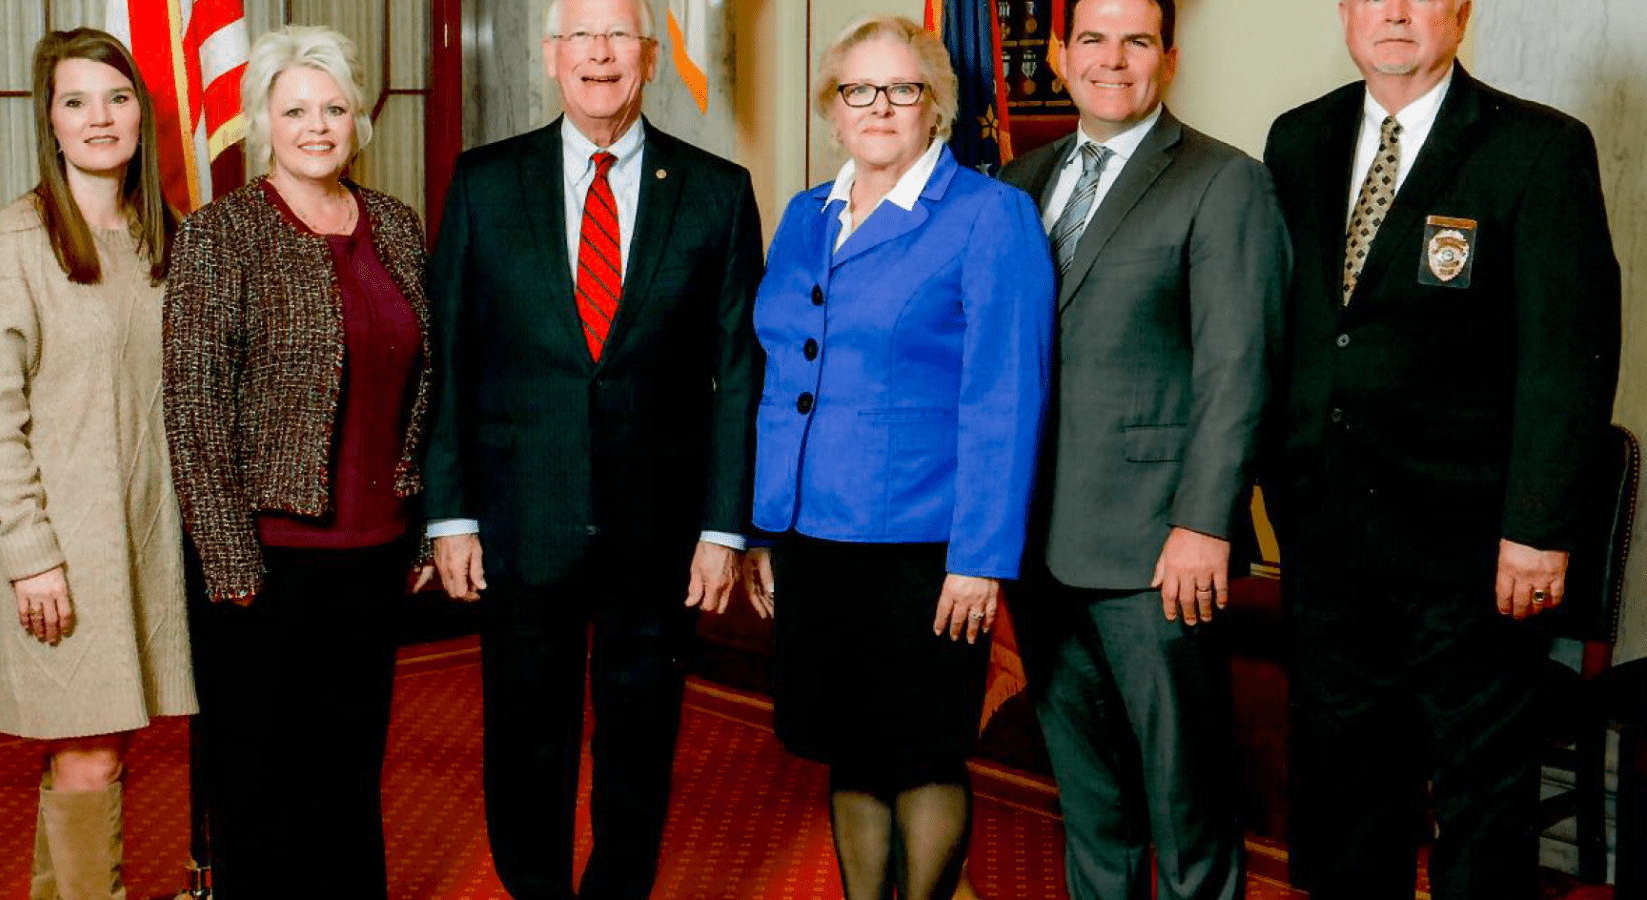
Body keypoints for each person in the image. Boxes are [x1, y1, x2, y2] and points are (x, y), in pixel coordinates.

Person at [1262, 1, 1621, 897]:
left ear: (1459, 11)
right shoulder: (1297, 140)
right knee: (1346, 791)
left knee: (1479, 801)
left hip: (1472, 552)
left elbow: (1568, 354)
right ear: (1345, 12)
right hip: (1327, 536)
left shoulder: (1536, 147)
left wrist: (1539, 526)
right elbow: (1293, 327)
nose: (1394, 12)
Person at [421, 0, 763, 895]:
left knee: (640, 737)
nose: (601, 55)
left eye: (619, 37)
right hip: (519, 519)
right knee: (524, 735)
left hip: (659, 533)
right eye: (583, 37)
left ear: (648, 56)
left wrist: (724, 529)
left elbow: (740, 377)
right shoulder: (486, 182)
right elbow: (449, 360)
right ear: (551, 57)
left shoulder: (718, 191)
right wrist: (449, 514)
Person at [740, 16, 1053, 900]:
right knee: (850, 747)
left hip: (926, 548)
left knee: (919, 756)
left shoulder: (991, 217)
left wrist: (982, 559)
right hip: (814, 538)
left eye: (903, 89)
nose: (880, 107)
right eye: (858, 90)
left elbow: (1006, 398)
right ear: (833, 111)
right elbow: (780, 380)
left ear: (937, 108)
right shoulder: (806, 215)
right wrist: (767, 527)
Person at [994, 1, 1288, 898]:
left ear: (1168, 54)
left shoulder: (1221, 180)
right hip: (1039, 547)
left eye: (1136, 40)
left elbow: (1241, 369)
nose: (1111, 59)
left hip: (1159, 559)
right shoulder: (1018, 182)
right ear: (1058, 52)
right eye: (1091, 38)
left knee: (1187, 812)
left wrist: (1204, 525)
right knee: (1091, 808)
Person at [162, 25, 432, 898]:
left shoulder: (395, 224)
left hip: (374, 550)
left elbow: (429, 375)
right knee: (262, 788)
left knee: (352, 774)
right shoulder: (221, 233)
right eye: (295, 110)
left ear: (357, 119)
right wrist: (229, 560)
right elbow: (194, 408)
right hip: (267, 564)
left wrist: (419, 525)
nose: (318, 126)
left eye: (334, 108)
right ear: (260, 122)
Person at [0, 28, 195, 899]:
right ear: (49, 122)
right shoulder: (16, 241)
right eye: (75, 101)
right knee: (88, 760)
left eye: (118, 98)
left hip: (148, 540)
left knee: (100, 757)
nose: (100, 118)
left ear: (143, 115)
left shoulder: (165, 237)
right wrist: (30, 552)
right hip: (60, 552)